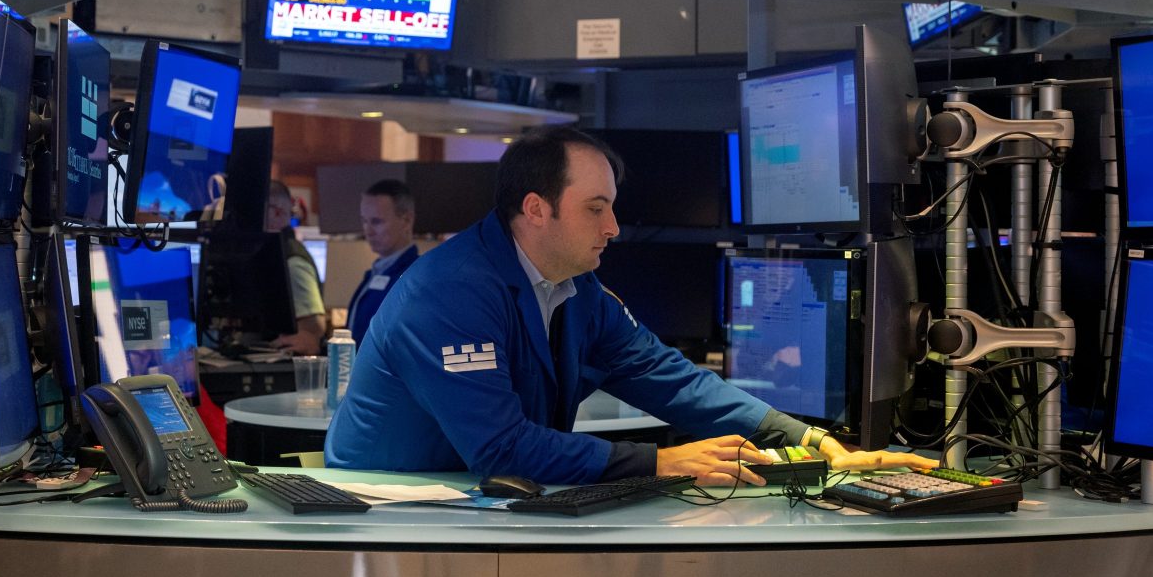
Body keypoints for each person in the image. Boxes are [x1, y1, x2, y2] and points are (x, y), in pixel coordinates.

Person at [325, 126, 937, 486]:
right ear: (536, 209)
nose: (615, 227)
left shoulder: (575, 288)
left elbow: (668, 378)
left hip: (479, 502)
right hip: (383, 511)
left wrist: (804, 438)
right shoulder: (449, 293)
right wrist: (663, 461)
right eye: (596, 208)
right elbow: (500, 448)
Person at [346, 179, 420, 347]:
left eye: (377, 221)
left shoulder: (414, 277)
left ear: (407, 220)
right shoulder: (376, 272)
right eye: (365, 221)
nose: (368, 231)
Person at [265, 180, 327, 356]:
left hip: (288, 367)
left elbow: (314, 326)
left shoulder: (293, 261)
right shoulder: (276, 255)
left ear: (277, 212)